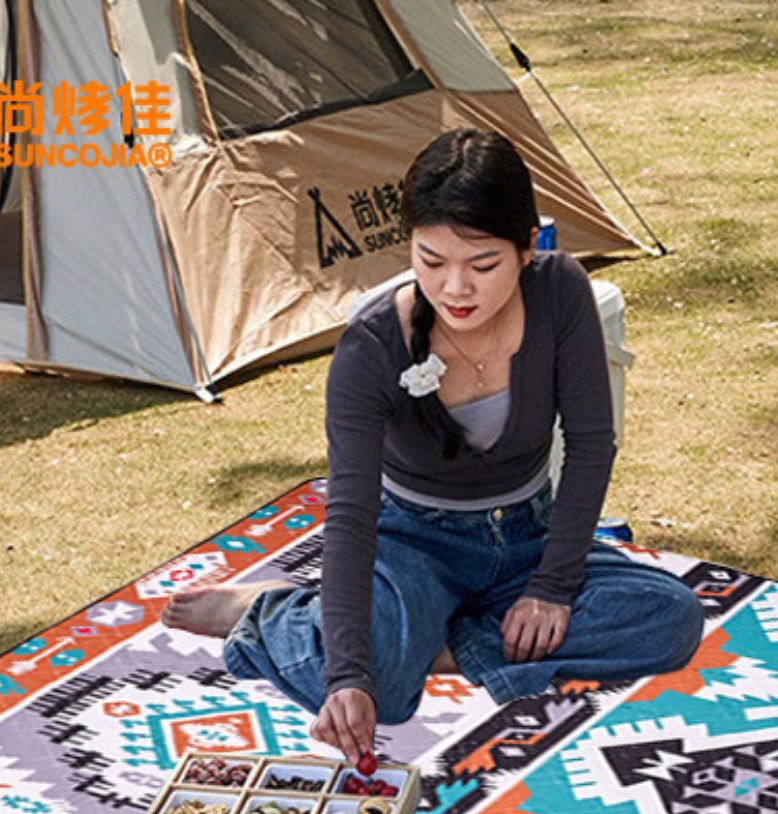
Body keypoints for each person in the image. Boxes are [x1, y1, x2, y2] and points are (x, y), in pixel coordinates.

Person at [164, 126, 707, 763]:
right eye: (431, 261)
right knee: (373, 689)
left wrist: (552, 588)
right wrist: (349, 675)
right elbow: (351, 514)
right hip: (414, 543)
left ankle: (423, 640)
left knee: (670, 619)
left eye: (483, 266)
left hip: (526, 537)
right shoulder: (372, 344)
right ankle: (277, 612)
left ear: (527, 248)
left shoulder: (561, 292)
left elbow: (591, 442)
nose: (455, 289)